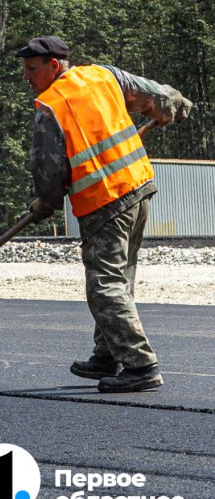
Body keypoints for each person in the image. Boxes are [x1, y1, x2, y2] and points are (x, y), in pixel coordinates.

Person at [20, 35, 192, 393]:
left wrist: (46, 202)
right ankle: (108, 353)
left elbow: (48, 169)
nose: (27, 77)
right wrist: (172, 105)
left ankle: (141, 364)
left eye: (32, 70)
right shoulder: (104, 76)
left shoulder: (51, 104)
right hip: (138, 187)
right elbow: (156, 97)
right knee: (120, 275)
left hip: (103, 201)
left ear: (54, 66)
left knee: (104, 285)